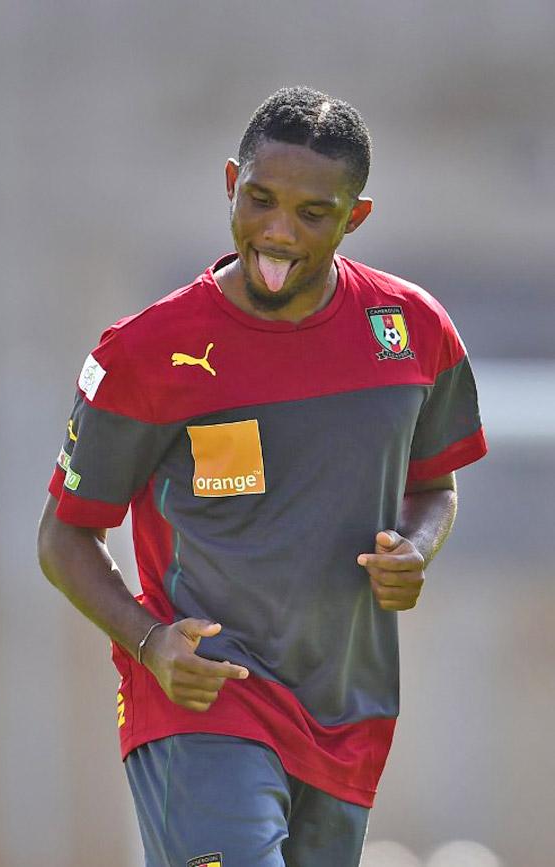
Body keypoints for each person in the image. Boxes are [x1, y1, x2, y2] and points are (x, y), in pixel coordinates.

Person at [38, 86, 487, 866]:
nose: (278, 232)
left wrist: (416, 547)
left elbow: (435, 485)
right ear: (229, 185)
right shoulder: (146, 351)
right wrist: (150, 643)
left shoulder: (411, 330)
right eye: (260, 199)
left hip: (348, 708)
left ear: (357, 216)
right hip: (204, 696)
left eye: (314, 213)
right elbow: (63, 536)